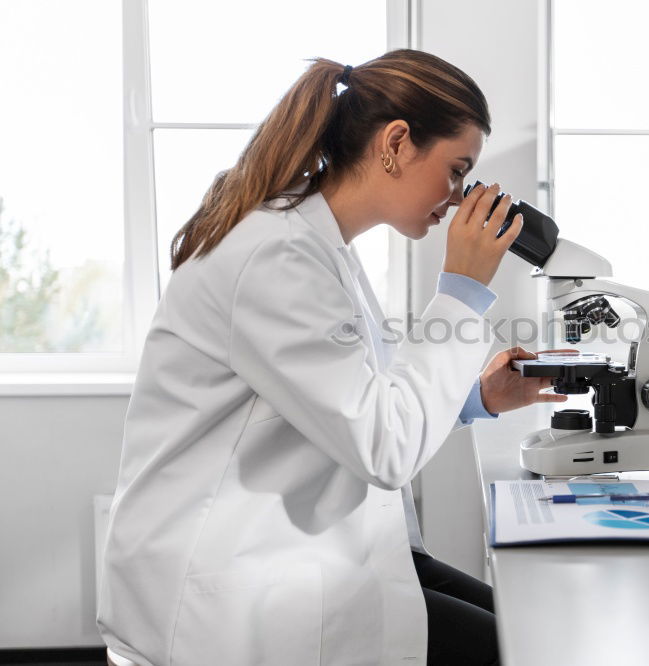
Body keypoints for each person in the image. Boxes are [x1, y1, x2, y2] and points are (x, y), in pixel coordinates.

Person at [97, 49, 567, 666]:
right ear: (396, 142)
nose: (458, 198)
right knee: (527, 651)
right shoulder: (276, 255)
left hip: (316, 556)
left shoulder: (320, 247)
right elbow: (383, 447)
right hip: (238, 586)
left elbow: (355, 409)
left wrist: (474, 399)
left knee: (535, 635)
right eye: (457, 171)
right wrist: (461, 288)